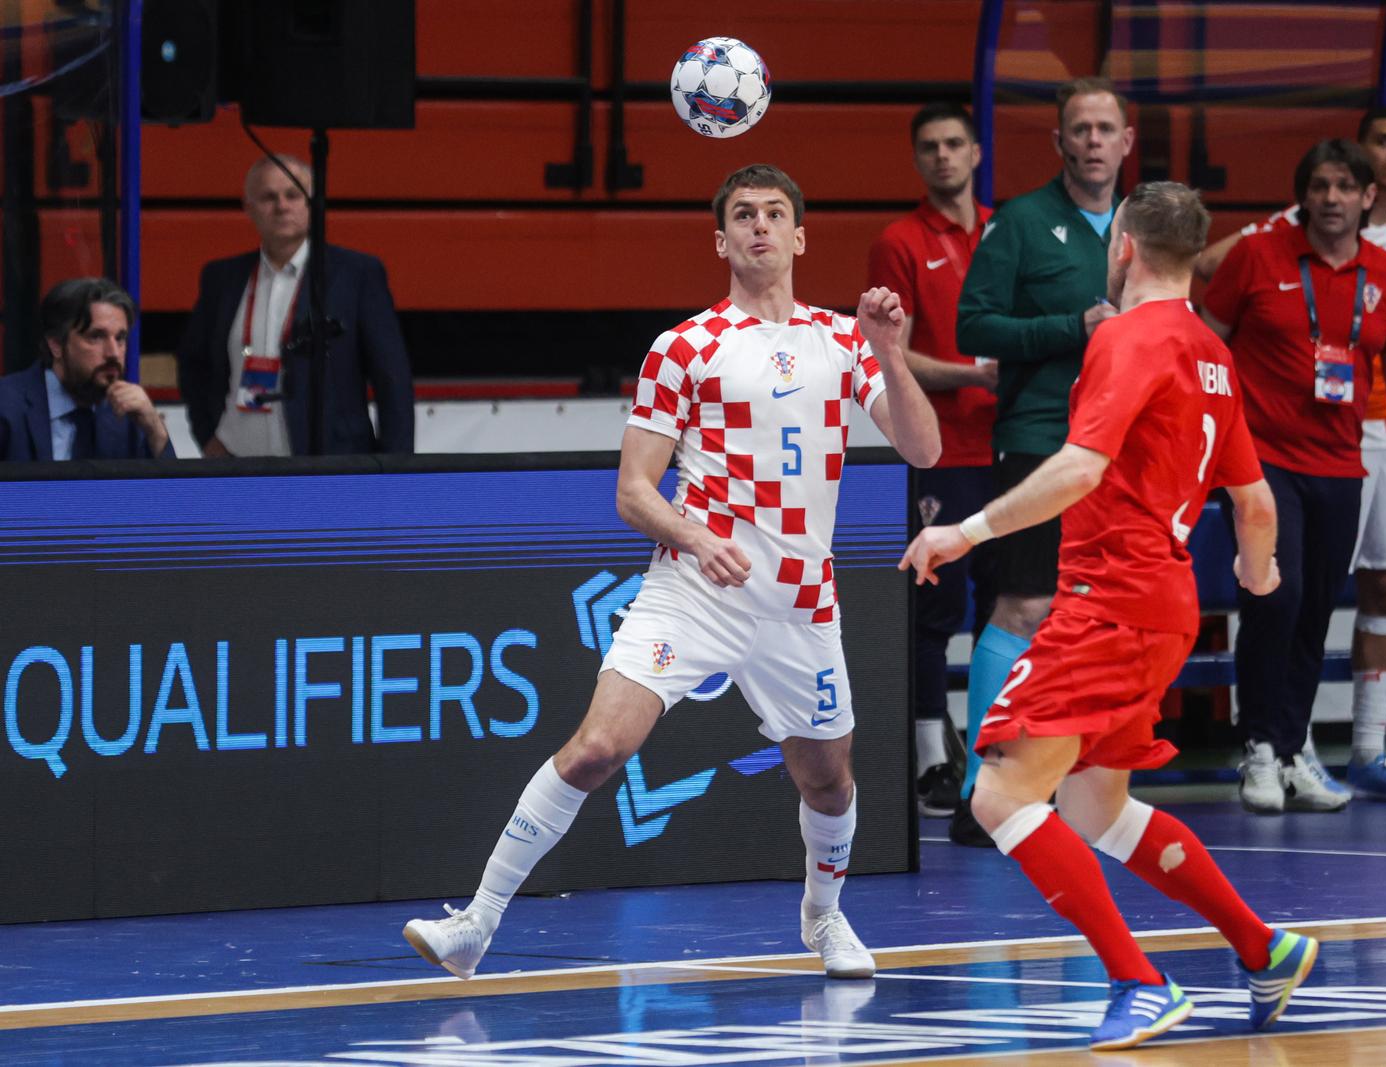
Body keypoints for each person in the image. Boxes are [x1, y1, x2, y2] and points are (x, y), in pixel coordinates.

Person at [401, 164, 942, 982]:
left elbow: (924, 449)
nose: (759, 226)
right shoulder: (684, 346)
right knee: (596, 748)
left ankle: (824, 919)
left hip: (800, 603)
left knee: (828, 782)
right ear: (720, 239)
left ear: (799, 236)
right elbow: (632, 492)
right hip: (694, 591)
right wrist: (697, 538)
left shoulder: (841, 339)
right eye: (742, 215)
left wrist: (892, 354)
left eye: (774, 214)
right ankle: (475, 924)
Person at [901, 181, 1316, 1052]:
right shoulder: (1211, 350)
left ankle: (1139, 980)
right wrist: (1259, 571)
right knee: (1097, 811)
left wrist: (965, 530)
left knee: (1002, 791)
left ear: (1120, 244)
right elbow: (1254, 500)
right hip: (1166, 604)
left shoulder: (1129, 337)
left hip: (1110, 600)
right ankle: (1263, 947)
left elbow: (1079, 466)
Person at [1201, 108, 1386, 799]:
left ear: (1369, 197)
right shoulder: (1257, 255)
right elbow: (1205, 346)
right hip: (1261, 458)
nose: (1332, 198)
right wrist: (1207, 440)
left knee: (1315, 607)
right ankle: (1259, 749)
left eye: (1345, 186)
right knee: (1278, 592)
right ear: (1304, 195)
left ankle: (1294, 742)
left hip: (1343, 462)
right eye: (1320, 186)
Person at [949, 76, 1133, 845]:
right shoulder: (1022, 222)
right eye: (1079, 129)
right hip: (1040, 435)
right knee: (1023, 605)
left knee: (1096, 614)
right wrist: (1072, 325)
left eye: (1105, 129)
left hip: (1123, 445)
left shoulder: (1144, 224)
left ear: (1126, 141)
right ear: (1060, 142)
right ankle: (976, 791)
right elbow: (971, 325)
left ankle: (1068, 781)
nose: (1093, 142)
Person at [866, 102, 997, 817]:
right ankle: (928, 762)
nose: (943, 157)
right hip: (940, 449)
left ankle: (997, 753)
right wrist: (977, 375)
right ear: (917, 160)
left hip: (1013, 448)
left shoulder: (1009, 231)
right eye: (929, 147)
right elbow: (897, 354)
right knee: (934, 609)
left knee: (1011, 603)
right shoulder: (900, 240)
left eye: (954, 144)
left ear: (977, 153)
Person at [176, 154, 414, 457]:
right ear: (248, 207)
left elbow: (392, 380)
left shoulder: (356, 275)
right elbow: (194, 364)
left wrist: (396, 472)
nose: (281, 206)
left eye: (293, 195)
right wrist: (208, 435)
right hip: (237, 465)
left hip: (333, 466)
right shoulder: (222, 278)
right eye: (268, 197)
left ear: (312, 204)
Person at [0, 277, 174, 460]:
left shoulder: (127, 415)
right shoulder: (6, 405)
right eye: (96, 337)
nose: (113, 353)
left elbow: (173, 489)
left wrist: (156, 430)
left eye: (120, 338)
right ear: (56, 344)